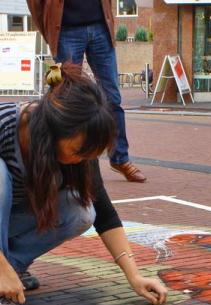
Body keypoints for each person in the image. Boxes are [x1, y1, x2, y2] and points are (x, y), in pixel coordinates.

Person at [0, 63, 168, 305]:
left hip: (3, 209)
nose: (81, 159)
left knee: (82, 211)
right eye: (78, 151)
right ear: (55, 131)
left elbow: (104, 213)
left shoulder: (81, 142)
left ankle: (12, 267)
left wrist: (134, 276)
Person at [28, 0, 148, 183]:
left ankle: (120, 158)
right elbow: (35, 5)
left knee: (112, 97)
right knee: (66, 97)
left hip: (101, 27)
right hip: (65, 30)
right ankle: (67, 162)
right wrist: (50, 32)